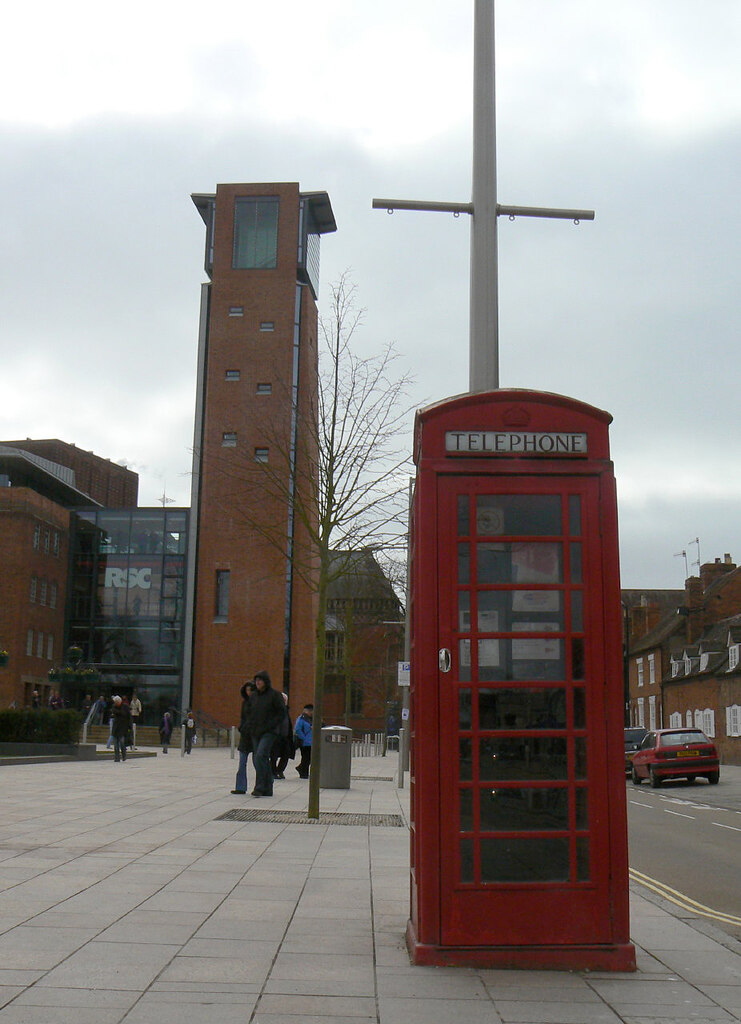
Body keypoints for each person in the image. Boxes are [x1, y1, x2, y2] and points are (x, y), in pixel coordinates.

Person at [249, 671, 284, 797]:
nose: (257, 682)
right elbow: (249, 713)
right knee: (259, 759)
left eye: (260, 680)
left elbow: (281, 713)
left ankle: (260, 787)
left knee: (260, 755)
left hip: (269, 731)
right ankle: (268, 786)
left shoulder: (275, 695)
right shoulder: (253, 696)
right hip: (255, 732)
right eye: (256, 680)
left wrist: (271, 725)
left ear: (265, 682)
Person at [231, 682, 254, 794]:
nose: (249, 692)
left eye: (251, 690)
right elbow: (243, 718)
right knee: (242, 762)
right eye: (247, 690)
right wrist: (241, 727)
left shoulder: (259, 703)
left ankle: (262, 785)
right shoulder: (244, 703)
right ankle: (240, 787)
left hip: (255, 735)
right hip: (245, 735)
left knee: (258, 762)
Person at [270, 692, 293, 780]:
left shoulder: (286, 711)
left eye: (285, 700)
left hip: (285, 736)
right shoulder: (273, 710)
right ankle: (273, 771)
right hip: (275, 736)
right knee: (274, 755)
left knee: (286, 754)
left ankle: (279, 770)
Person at [294, 704, 313, 779]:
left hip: (310, 742)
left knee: (308, 758)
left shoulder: (309, 718)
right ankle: (303, 772)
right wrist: (304, 738)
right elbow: (298, 729)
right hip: (305, 742)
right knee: (306, 758)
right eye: (311, 711)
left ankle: (302, 770)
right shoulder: (301, 718)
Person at [110, 695, 132, 763]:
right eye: (115, 702)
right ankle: (117, 757)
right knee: (116, 745)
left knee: (122, 743)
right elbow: (115, 712)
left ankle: (124, 755)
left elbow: (127, 715)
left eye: (117, 702)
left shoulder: (125, 706)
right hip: (116, 728)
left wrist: (130, 726)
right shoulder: (114, 707)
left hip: (123, 728)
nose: (116, 703)